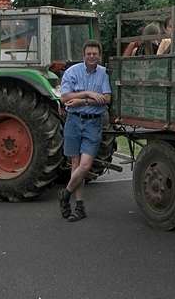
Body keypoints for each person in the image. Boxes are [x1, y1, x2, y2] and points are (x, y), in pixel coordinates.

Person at [58, 40, 112, 222]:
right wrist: (87, 94)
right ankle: (79, 206)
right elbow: (65, 97)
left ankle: (65, 195)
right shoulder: (72, 72)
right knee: (75, 163)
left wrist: (83, 101)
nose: (92, 57)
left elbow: (106, 98)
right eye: (89, 54)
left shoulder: (104, 73)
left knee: (85, 165)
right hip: (74, 121)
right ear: (84, 55)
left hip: (93, 123)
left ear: (99, 55)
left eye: (95, 54)